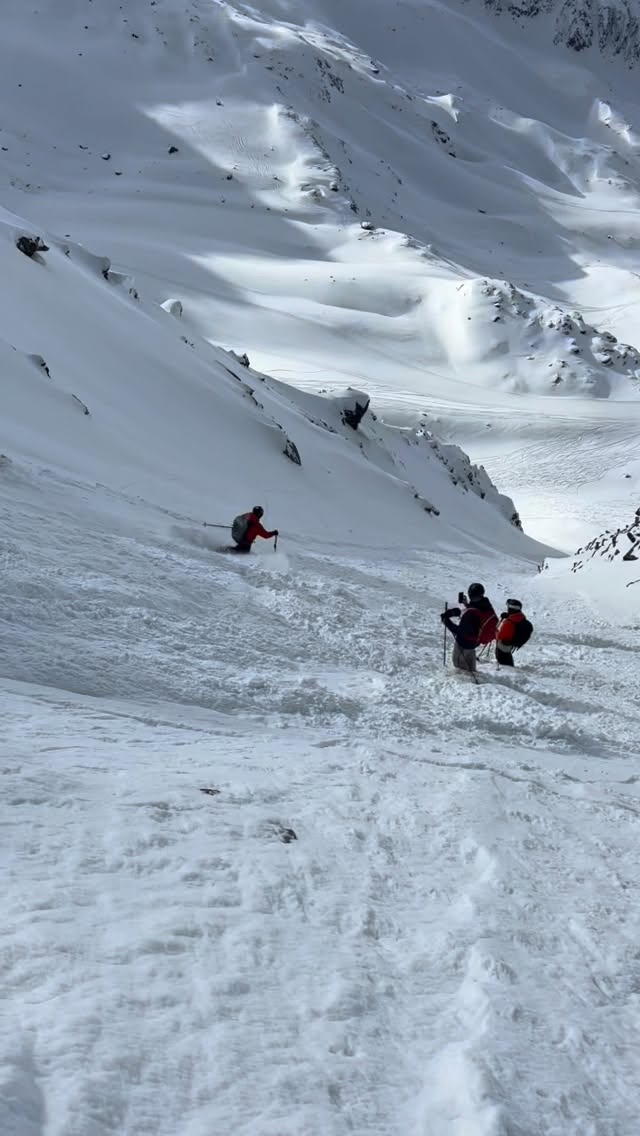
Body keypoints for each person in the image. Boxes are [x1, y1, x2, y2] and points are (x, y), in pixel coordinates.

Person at [440, 582, 498, 675]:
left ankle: (468, 685)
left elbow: (461, 632)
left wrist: (446, 621)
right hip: (474, 642)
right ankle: (475, 679)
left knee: (459, 668)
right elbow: (477, 614)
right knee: (470, 668)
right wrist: (466, 604)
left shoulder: (470, 614)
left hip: (464, 644)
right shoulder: (486, 605)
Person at [495, 599, 532, 666]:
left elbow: (500, 636)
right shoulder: (521, 617)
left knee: (505, 667)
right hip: (509, 646)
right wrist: (508, 616)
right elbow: (516, 618)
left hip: (503, 647)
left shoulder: (509, 623)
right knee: (508, 663)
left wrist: (495, 632)